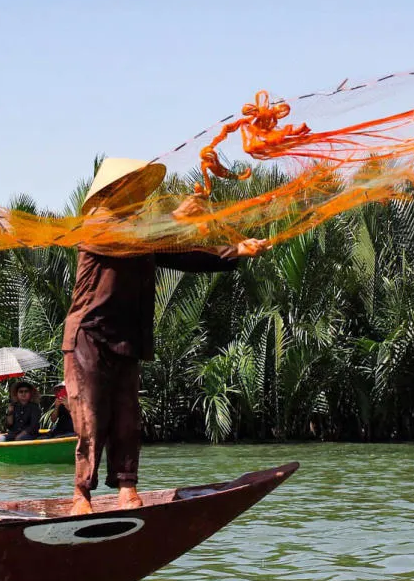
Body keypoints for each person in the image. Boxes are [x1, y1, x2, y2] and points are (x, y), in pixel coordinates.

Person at [63, 157, 269, 515]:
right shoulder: (98, 226)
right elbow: (137, 239)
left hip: (127, 336)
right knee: (90, 416)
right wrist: (177, 218)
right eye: (132, 188)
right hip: (88, 337)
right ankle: (82, 494)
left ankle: (127, 489)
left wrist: (235, 251)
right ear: (112, 191)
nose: (140, 196)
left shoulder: (144, 234)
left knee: (127, 417)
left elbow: (185, 254)